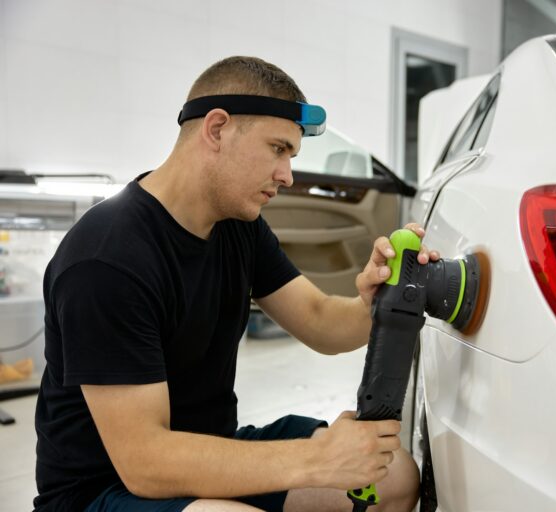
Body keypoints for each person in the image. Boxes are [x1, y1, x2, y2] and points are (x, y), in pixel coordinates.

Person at [34, 56, 437, 512]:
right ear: (217, 128)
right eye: (278, 149)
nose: (287, 175)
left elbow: (320, 320)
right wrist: (317, 458)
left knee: (396, 478)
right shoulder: (107, 259)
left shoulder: (237, 226)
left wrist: (377, 301)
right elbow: (144, 463)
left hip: (207, 450)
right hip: (105, 490)